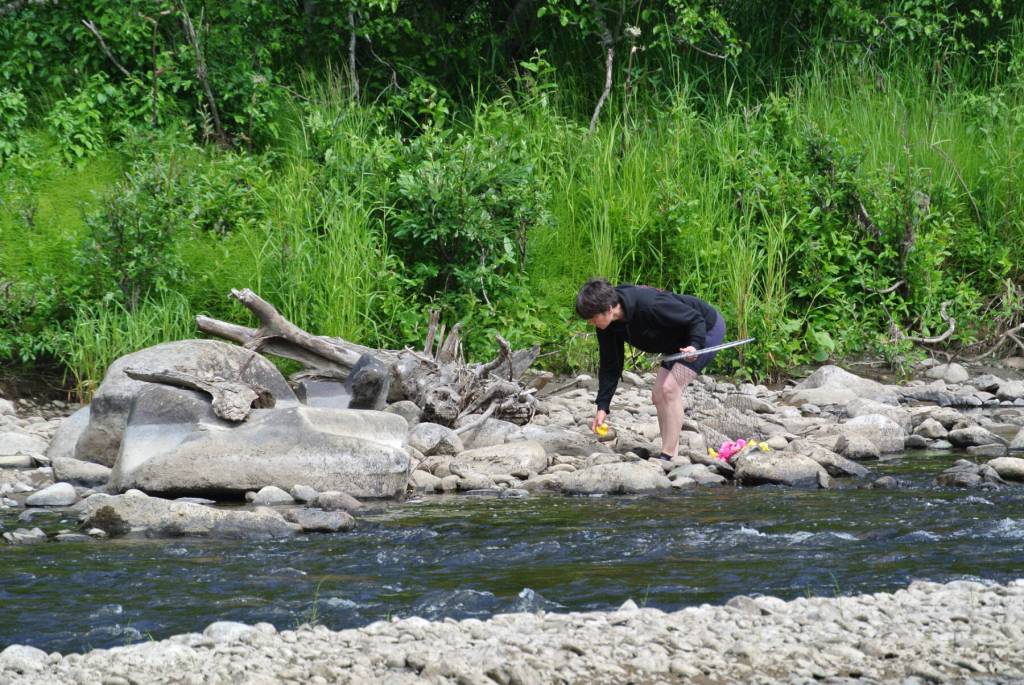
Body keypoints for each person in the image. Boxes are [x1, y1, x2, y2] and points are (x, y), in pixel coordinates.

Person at [575, 278, 726, 461]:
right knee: (657, 394)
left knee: (670, 389)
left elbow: (695, 319)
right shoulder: (607, 324)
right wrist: (603, 406)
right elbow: (610, 365)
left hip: (704, 330)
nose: (590, 322)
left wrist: (695, 345)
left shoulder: (651, 304)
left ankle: (668, 457)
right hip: (676, 339)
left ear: (608, 309)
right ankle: (672, 453)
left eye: (592, 318)